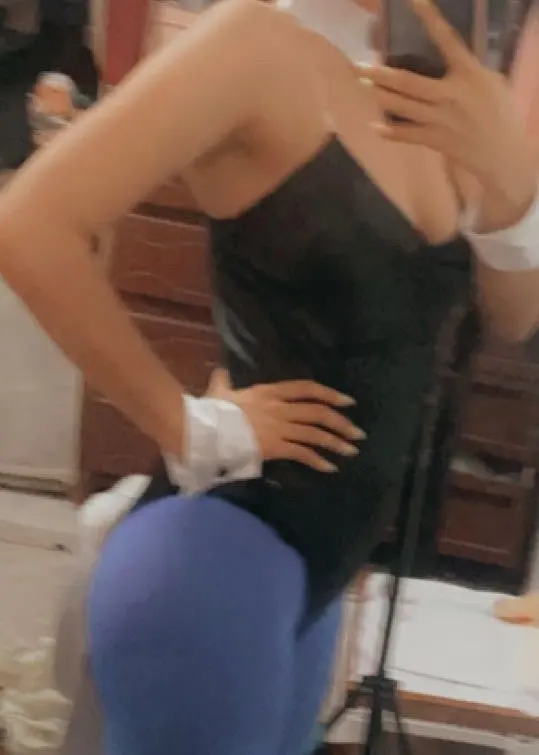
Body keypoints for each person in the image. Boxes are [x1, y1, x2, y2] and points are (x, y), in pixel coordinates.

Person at [0, 0, 539, 753]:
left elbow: (513, 316)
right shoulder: (254, 45)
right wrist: (187, 422)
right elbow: (28, 225)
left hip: (315, 576)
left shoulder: (437, 87)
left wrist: (512, 189)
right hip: (216, 559)